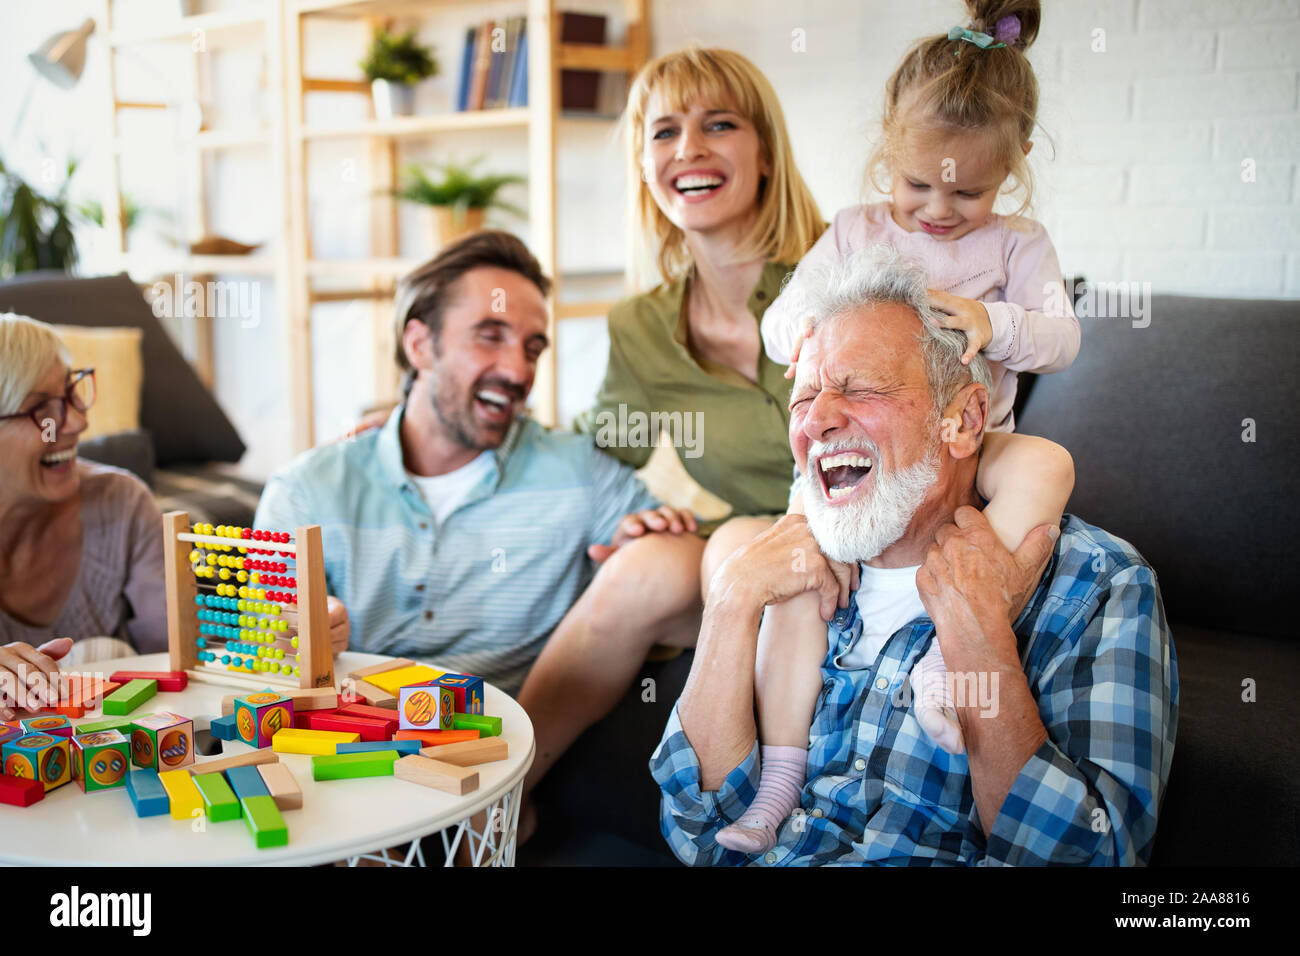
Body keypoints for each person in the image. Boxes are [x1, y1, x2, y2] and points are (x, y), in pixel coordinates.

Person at [652, 244, 1177, 865]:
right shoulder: (782, 572)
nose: (815, 421)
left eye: (860, 388)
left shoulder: (1098, 586)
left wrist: (978, 636)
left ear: (964, 419)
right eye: (803, 398)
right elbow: (695, 825)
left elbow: (1090, 857)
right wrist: (732, 601)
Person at [714, 0, 1080, 852]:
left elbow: (1062, 338)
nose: (939, 209)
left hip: (970, 446)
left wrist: (995, 325)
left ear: (1015, 167)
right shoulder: (853, 232)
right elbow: (779, 325)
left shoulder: (1020, 245)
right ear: (888, 157)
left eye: (968, 190)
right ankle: (777, 784)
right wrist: (808, 333)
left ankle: (967, 628)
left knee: (1047, 464)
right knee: (801, 590)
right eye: (918, 184)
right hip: (863, 460)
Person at [254, 231, 702, 802]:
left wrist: (642, 545)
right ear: (420, 344)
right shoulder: (306, 491)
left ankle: (496, 811)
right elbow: (259, 665)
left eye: (533, 347)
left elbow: (688, 595)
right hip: (351, 769)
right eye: (490, 337)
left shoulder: (578, 472)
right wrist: (306, 634)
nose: (517, 370)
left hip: (505, 756)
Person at [0, 313, 162, 719]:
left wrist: (280, 633)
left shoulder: (124, 504)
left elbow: (183, 656)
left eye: (72, 393)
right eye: (43, 409)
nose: (77, 421)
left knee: (105, 653)